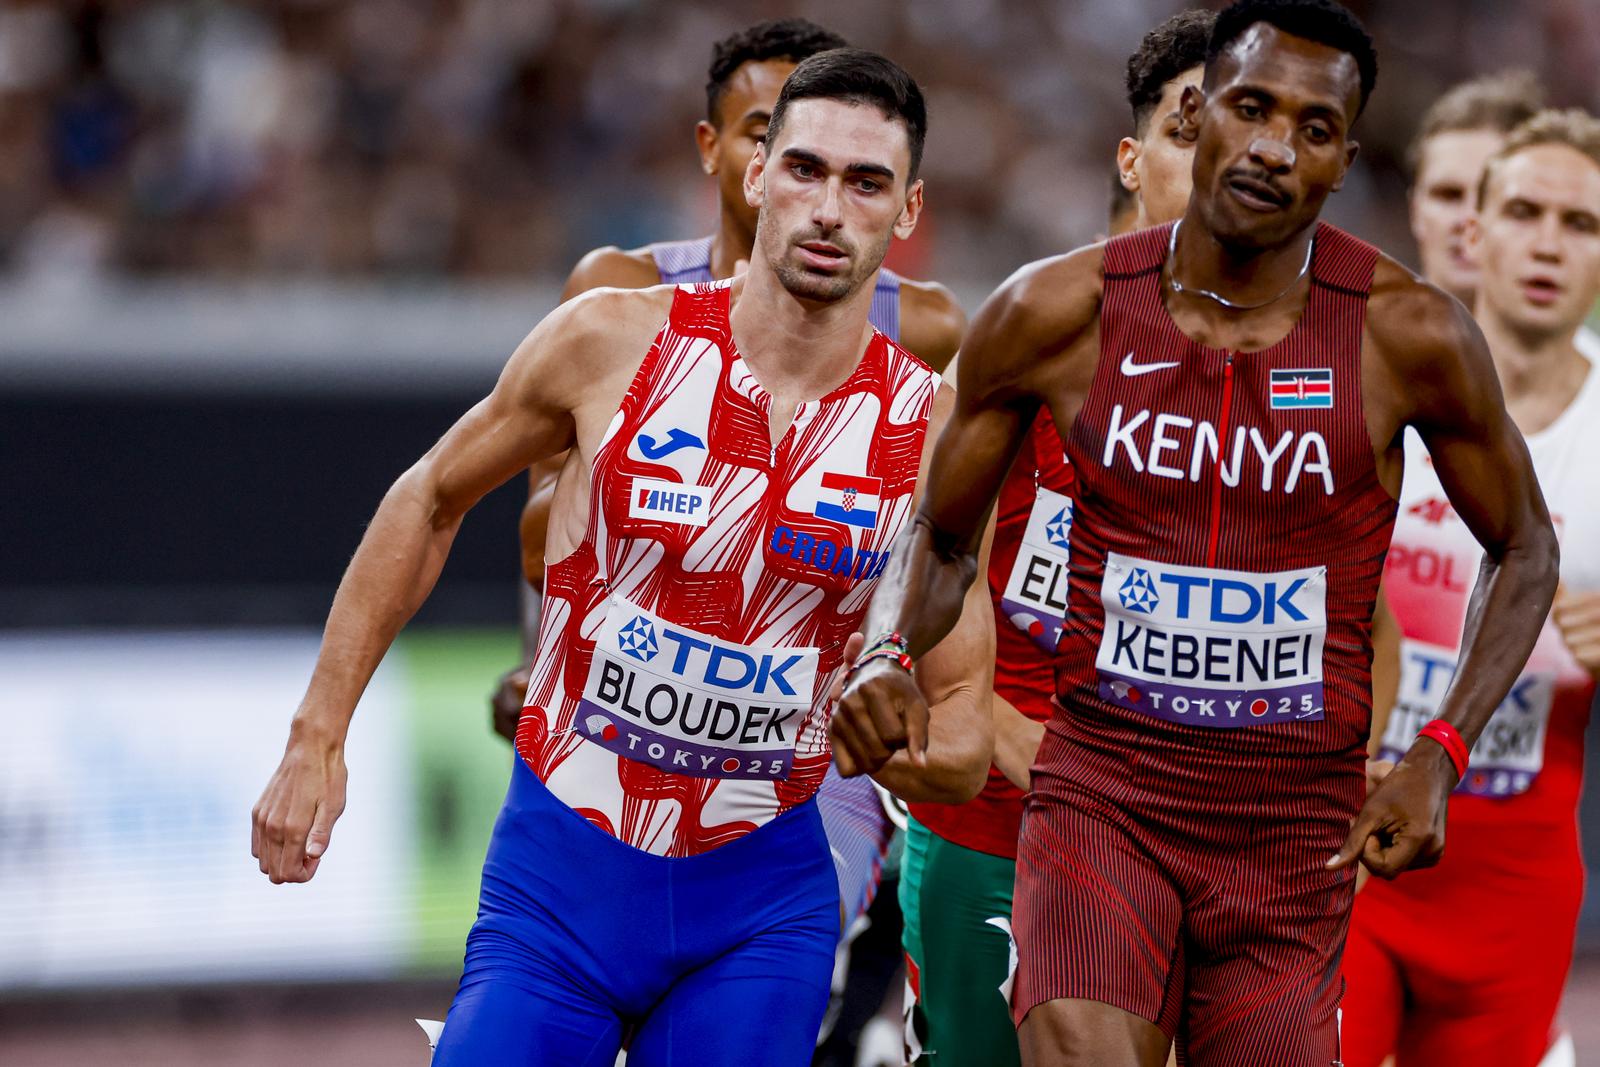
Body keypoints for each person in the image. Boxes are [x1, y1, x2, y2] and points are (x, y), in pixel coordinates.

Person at [828, 2, 1561, 1065]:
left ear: (1345, 163)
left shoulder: (1409, 334)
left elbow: (1525, 545)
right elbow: (939, 534)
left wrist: (1438, 752)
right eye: (1250, 108)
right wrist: (889, 651)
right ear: (1199, 113)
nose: (1274, 148)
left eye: (1314, 129)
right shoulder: (1053, 313)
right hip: (1102, 802)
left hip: (1288, 833)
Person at [251, 48, 995, 1066]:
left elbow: (962, 733)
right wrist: (318, 732)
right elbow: (427, 497)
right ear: (755, 174)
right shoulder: (610, 340)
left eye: (866, 183)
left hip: (758, 909)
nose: (829, 209)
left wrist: (885, 738)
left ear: (907, 212)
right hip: (562, 881)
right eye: (805, 169)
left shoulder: (932, 431)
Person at [488, 20, 968, 941]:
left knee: (794, 960)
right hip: (627, 710)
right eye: (774, 140)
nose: (821, 188)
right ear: (726, 153)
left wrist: (884, 661)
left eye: (856, 169)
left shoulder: (928, 326)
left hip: (807, 738)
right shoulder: (621, 296)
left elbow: (942, 550)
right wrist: (537, 653)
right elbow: (542, 525)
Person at [896, 12, 1214, 1067]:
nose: (1222, 162)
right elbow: (916, 571)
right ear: (1131, 158)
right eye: (1189, 131)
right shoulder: (1031, 330)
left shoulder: (1316, 367)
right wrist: (1010, 736)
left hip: (1205, 843)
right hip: (1003, 833)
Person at [1342, 109, 1600, 1067]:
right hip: (1348, 852)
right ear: (1473, 231)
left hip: (1511, 892)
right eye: (1526, 213)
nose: (1549, 245)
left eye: (1581, 224)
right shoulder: (1375, 385)